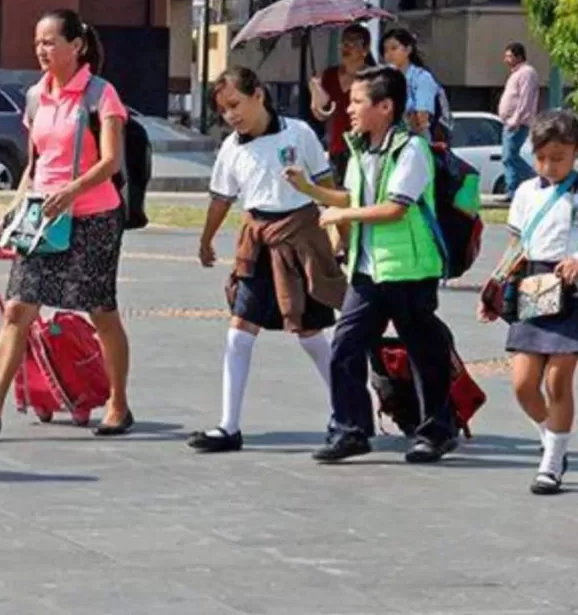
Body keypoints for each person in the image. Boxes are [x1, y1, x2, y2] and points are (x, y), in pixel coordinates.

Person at [0, 8, 134, 437]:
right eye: (37, 42)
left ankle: (118, 403)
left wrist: (72, 190)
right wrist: (11, 211)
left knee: (101, 311)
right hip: (42, 217)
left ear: (76, 46)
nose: (41, 50)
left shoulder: (101, 95)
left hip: (94, 216)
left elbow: (110, 162)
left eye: (50, 42)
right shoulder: (34, 95)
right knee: (17, 309)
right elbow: (36, 163)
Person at [285, 65, 458, 463]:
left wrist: (343, 218)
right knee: (345, 346)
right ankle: (351, 430)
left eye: (358, 101)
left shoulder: (411, 150)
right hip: (367, 271)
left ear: (385, 106)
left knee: (423, 353)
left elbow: (396, 208)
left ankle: (436, 430)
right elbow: (353, 196)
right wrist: (311, 190)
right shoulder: (360, 149)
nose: (349, 108)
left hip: (409, 269)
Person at [188, 66, 347, 453]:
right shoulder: (231, 148)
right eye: (224, 110)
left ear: (258, 95)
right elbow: (221, 199)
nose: (231, 115)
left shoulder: (299, 134)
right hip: (256, 242)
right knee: (239, 332)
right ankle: (229, 426)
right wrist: (206, 240)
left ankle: (345, 413)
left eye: (235, 104)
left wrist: (340, 232)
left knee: (310, 333)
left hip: (300, 238)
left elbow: (328, 187)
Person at [479, 110, 578, 495]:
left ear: (577, 151)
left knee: (559, 380)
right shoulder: (526, 192)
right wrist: (494, 287)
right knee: (524, 385)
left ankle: (552, 463)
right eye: (541, 158)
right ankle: (551, 435)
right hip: (534, 287)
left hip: (574, 289)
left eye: (558, 158)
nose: (549, 165)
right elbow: (516, 246)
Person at [309, 24, 377, 186]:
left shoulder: (373, 77)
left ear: (365, 48)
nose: (346, 47)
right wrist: (315, 90)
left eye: (352, 43)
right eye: (344, 42)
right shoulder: (330, 75)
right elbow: (319, 114)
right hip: (336, 148)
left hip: (364, 147)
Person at [379, 28, 451, 143]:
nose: (389, 55)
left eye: (394, 48)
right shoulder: (386, 80)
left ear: (408, 50)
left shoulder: (422, 78)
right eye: (385, 50)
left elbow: (421, 121)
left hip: (416, 143)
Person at [498, 42, 540, 200]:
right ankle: (513, 190)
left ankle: (534, 181)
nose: (505, 60)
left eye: (509, 56)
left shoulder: (527, 73)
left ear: (519, 56)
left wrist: (516, 119)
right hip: (509, 122)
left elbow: (525, 98)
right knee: (508, 156)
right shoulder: (516, 73)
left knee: (509, 156)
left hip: (517, 123)